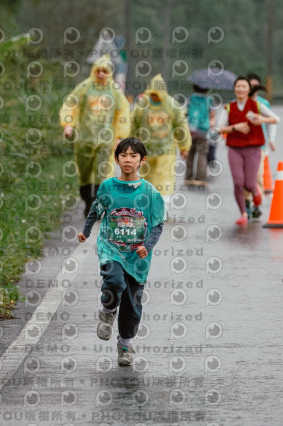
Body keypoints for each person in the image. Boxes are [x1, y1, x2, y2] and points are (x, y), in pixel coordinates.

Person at [78, 137, 165, 366]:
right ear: (117, 159)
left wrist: (147, 245)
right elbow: (96, 212)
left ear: (142, 161)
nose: (128, 160)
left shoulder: (151, 193)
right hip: (111, 248)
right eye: (123, 155)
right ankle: (107, 310)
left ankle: (125, 345)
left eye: (133, 156)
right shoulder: (107, 186)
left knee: (132, 303)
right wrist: (86, 232)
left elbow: (157, 224)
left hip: (137, 256)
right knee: (114, 281)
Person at [59, 55, 131, 217]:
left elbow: (123, 112)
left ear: (109, 73)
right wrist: (68, 124)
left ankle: (97, 204)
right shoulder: (85, 87)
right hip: (84, 138)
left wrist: (120, 136)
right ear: (94, 71)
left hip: (106, 141)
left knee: (102, 172)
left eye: (104, 71)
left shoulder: (114, 90)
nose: (100, 74)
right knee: (84, 173)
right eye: (98, 70)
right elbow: (71, 104)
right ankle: (87, 200)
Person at [218, 76, 280, 225]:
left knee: (250, 183)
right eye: (238, 86)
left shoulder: (257, 105)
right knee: (238, 182)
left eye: (244, 87)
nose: (241, 89)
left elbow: (276, 119)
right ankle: (243, 214)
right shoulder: (228, 107)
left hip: (253, 149)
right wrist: (234, 128)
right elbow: (218, 129)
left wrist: (262, 119)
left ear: (248, 89)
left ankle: (256, 194)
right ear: (234, 88)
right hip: (235, 149)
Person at [130, 74, 191, 202]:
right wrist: (130, 144)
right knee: (148, 178)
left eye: (157, 94)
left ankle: (163, 207)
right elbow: (134, 124)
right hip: (146, 149)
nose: (154, 96)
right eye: (152, 93)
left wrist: (184, 147)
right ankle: (149, 205)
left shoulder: (172, 105)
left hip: (166, 150)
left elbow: (181, 126)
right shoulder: (143, 104)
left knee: (164, 178)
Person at [244, 73, 278, 219]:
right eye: (250, 85)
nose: (253, 88)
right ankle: (246, 202)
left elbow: (272, 121)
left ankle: (257, 204)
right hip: (242, 146)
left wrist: (271, 139)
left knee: (257, 175)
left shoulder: (263, 103)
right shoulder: (239, 102)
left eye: (255, 85)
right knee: (244, 177)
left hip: (260, 145)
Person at [184, 84, 216, 186]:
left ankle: (188, 177)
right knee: (202, 154)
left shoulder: (190, 98)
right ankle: (200, 178)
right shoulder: (209, 100)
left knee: (190, 154)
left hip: (190, 130)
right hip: (203, 130)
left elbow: (185, 112)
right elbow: (212, 114)